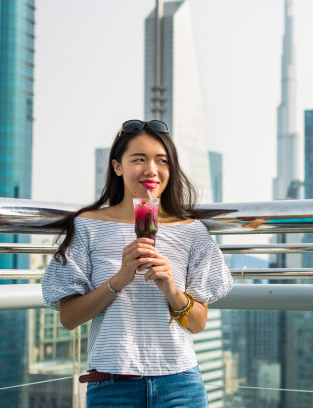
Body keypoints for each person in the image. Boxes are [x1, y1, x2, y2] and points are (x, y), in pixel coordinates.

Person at [42, 119, 233, 407]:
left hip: (181, 383)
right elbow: (70, 318)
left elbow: (198, 323)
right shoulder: (88, 226)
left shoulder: (191, 230)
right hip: (112, 385)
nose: (152, 170)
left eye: (161, 161)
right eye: (139, 159)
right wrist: (118, 280)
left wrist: (170, 288)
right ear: (118, 166)